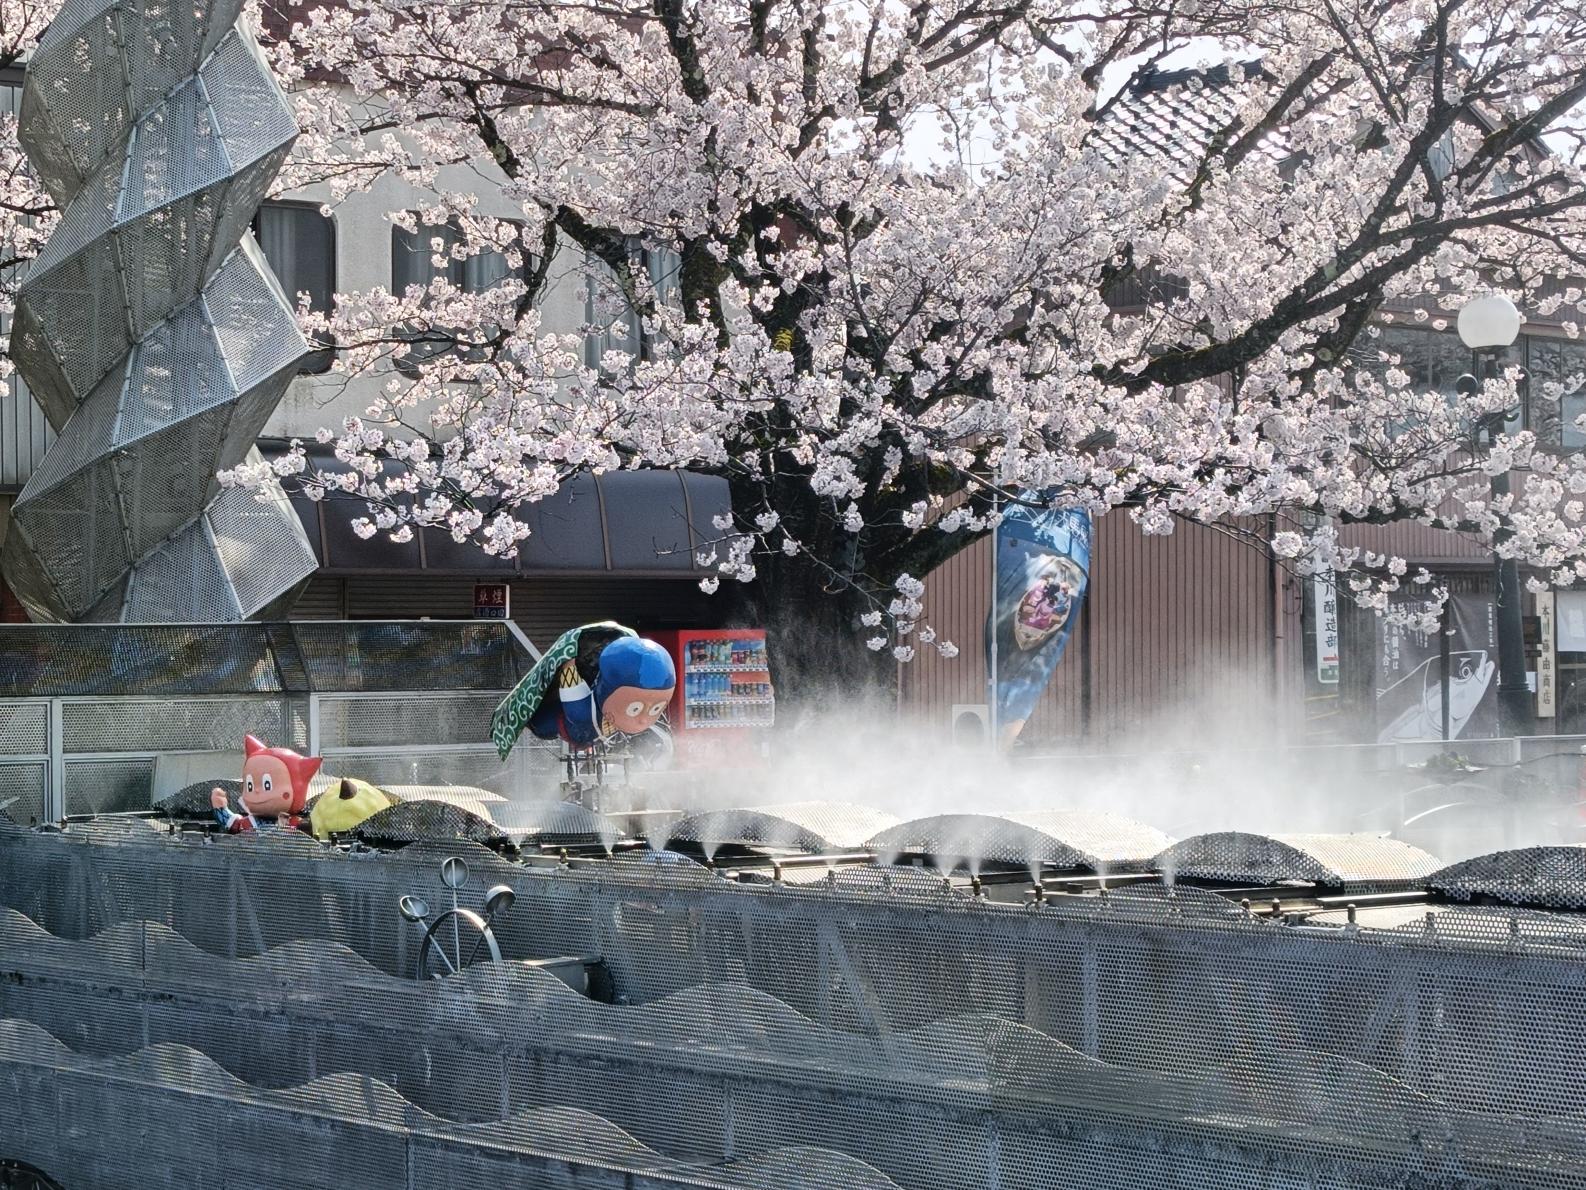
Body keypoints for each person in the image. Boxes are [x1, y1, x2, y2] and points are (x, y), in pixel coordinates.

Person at [492, 622, 675, 756]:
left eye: (655, 709)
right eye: (635, 708)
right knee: (559, 719)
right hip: (557, 725)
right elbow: (570, 682)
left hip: (592, 737)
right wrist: (568, 658)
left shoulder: (609, 717)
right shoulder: (583, 712)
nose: (643, 720)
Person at [210, 735, 321, 833]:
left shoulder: (292, 824)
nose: (256, 790)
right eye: (250, 786)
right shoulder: (249, 823)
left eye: (267, 785)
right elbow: (232, 823)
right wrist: (220, 808)